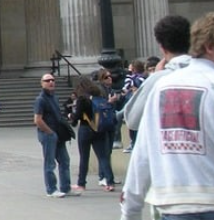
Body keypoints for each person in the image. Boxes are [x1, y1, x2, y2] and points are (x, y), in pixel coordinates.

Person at [122, 11, 214, 219]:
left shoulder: (161, 86)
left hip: (173, 201)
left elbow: (143, 152)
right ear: (210, 46)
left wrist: (130, 210)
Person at [123, 15, 192, 152]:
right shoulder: (206, 73)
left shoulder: (158, 79)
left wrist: (154, 77)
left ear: (162, 47)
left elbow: (132, 119)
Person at [71, 75, 114, 193]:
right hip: (99, 129)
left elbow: (78, 116)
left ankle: (81, 183)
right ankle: (109, 182)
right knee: (103, 157)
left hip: (85, 129)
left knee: (84, 157)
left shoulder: (82, 99)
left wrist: (72, 118)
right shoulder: (99, 96)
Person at [33, 72, 73, 198]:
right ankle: (51, 189)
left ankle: (65, 187)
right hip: (48, 135)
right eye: (47, 80)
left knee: (64, 160)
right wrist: (50, 132)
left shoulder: (54, 97)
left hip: (58, 133)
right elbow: (37, 120)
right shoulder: (41, 100)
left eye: (52, 80)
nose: (50, 82)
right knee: (50, 163)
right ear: (42, 83)